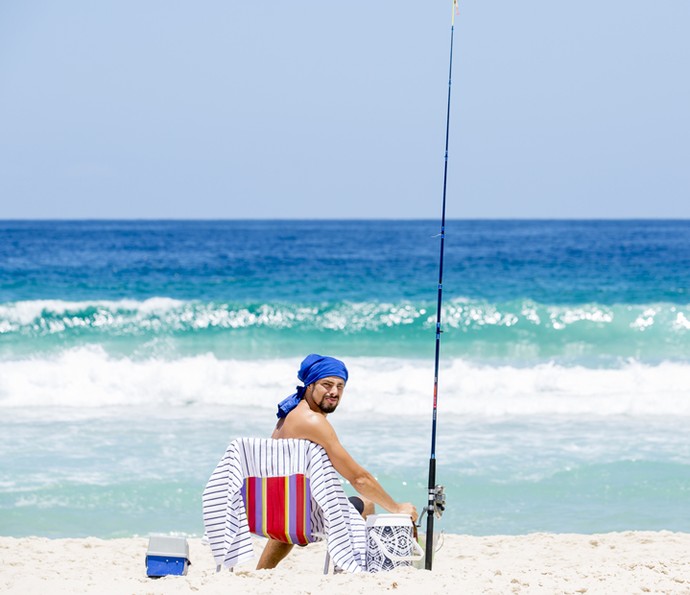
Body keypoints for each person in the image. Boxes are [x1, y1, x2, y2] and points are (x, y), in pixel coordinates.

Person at [256, 353, 418, 570]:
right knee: (366, 504)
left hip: (274, 511)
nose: (334, 392)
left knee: (298, 505)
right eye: (327, 384)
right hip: (296, 519)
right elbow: (359, 478)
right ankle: (349, 570)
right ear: (310, 385)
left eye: (340, 386)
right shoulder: (312, 421)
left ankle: (262, 571)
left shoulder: (290, 414)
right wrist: (397, 508)